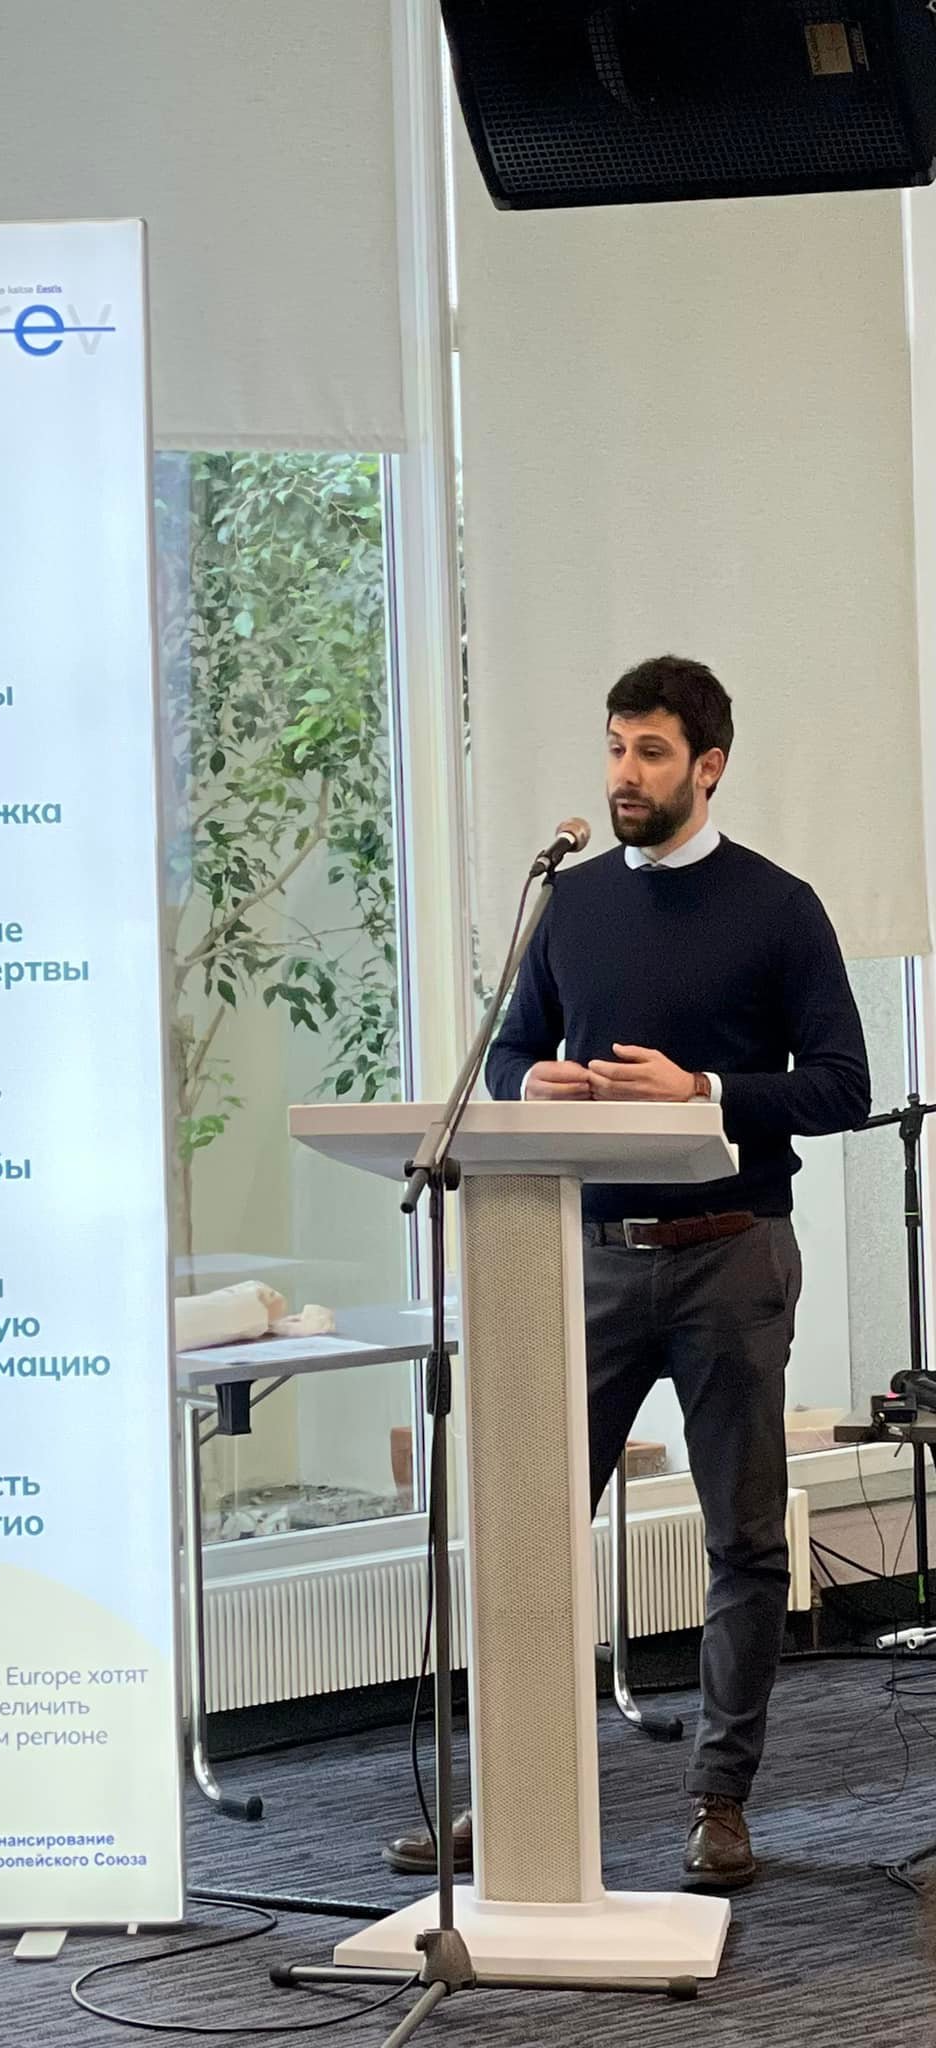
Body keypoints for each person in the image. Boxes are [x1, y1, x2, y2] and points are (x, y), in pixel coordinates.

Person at [385, 654, 870, 1891]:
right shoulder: (571, 901)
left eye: (651, 752)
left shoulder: (780, 907)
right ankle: (516, 1797)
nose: (624, 774)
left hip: (732, 1254)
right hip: (585, 1259)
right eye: (614, 747)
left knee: (744, 1540)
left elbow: (841, 1083)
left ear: (709, 766)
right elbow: (506, 1053)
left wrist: (701, 1088)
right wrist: (530, 1081)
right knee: (535, 1530)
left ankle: (720, 1799)